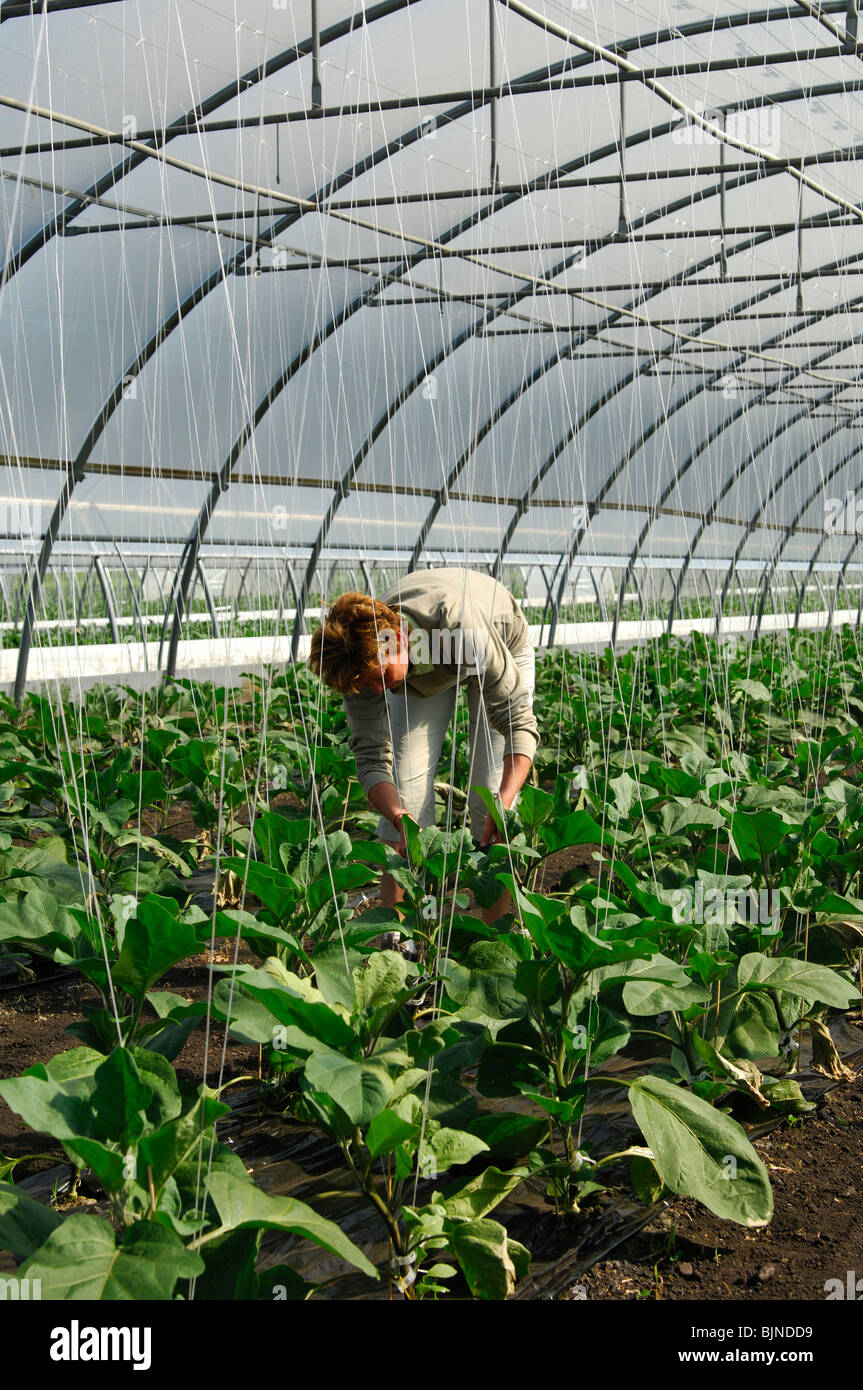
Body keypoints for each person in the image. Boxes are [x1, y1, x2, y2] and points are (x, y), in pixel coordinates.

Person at [308, 567, 538, 920]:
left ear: (395, 640)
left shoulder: (459, 626)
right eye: (366, 684)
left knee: (489, 796)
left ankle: (495, 938)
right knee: (406, 792)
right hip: (426, 660)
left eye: (379, 677)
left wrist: (504, 803)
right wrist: (398, 816)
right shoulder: (363, 667)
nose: (376, 690)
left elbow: (518, 723)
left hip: (496, 638)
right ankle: (396, 936)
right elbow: (370, 759)